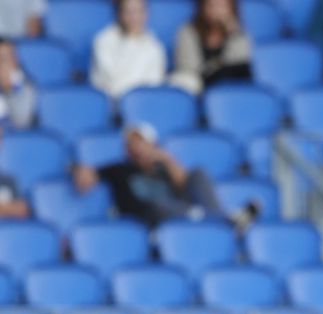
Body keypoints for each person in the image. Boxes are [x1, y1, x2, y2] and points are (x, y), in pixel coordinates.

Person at [71, 124, 258, 230]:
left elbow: (184, 183)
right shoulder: (119, 169)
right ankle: (224, 221)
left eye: (141, 142)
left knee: (198, 173)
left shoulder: (164, 169)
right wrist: (79, 171)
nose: (137, 148)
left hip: (182, 211)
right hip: (147, 217)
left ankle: (215, 218)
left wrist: (167, 160)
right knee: (160, 205)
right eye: (132, 143)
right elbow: (87, 172)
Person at [169, 0, 252, 95]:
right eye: (211, 5)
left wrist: (234, 33)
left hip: (225, 89)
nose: (216, 10)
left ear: (231, 8)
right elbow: (189, 69)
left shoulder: (238, 34)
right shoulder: (188, 31)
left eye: (221, 6)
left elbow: (238, 66)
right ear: (202, 7)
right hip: (198, 87)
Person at [90, 0, 167, 99]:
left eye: (139, 11)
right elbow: (114, 84)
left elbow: (154, 85)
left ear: (147, 14)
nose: (134, 17)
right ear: (119, 14)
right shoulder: (103, 41)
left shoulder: (155, 46)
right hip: (110, 104)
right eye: (129, 11)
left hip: (142, 105)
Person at [0, 38, 36, 130]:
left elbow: (22, 123)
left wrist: (9, 90)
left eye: (11, 56)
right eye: (3, 59)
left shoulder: (26, 86)